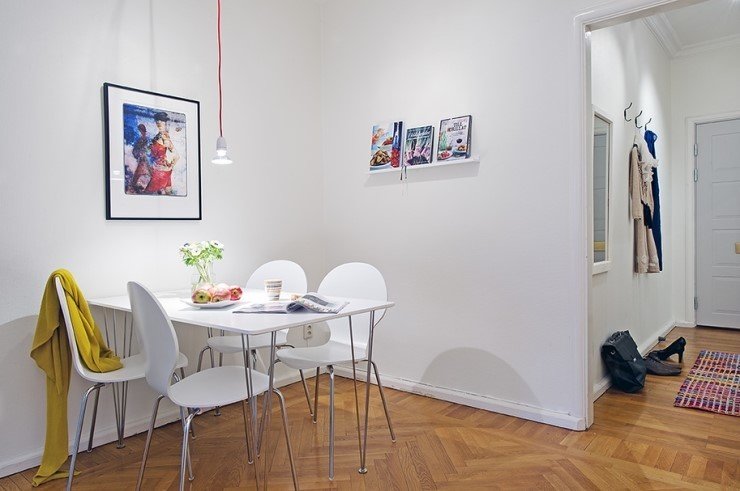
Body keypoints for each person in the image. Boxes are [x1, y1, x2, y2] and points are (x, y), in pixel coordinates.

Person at [144, 111, 180, 195]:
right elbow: (150, 151)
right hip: (158, 170)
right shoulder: (157, 136)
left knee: (147, 194)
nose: (159, 122)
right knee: (168, 192)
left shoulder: (164, 137)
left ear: (165, 122)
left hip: (161, 172)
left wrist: (169, 167)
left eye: (162, 120)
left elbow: (177, 156)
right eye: (157, 120)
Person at [129, 124, 151, 193]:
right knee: (141, 172)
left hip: (144, 158)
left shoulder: (144, 139)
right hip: (143, 158)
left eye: (140, 130)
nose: (140, 132)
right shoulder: (142, 139)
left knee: (142, 172)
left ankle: (134, 185)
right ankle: (134, 184)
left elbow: (146, 148)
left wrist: (142, 153)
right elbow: (137, 149)